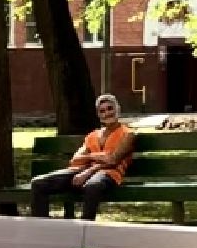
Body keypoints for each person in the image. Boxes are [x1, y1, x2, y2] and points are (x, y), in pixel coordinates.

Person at [29, 93, 135, 221]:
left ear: (118, 109)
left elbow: (113, 160)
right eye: (102, 111)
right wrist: (98, 156)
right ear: (99, 115)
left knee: (92, 186)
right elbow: (75, 159)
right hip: (80, 170)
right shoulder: (92, 135)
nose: (107, 113)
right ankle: (41, 228)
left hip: (109, 173)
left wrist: (88, 167)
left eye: (110, 108)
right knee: (38, 183)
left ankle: (85, 229)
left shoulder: (128, 134)